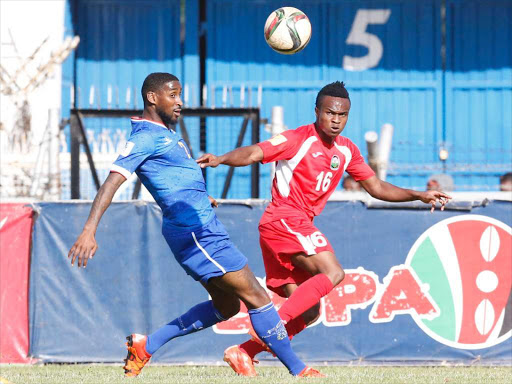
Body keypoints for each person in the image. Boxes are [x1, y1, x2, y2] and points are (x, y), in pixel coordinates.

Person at [67, 73, 322, 378]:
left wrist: (202, 197)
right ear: (152, 97)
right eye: (172, 95)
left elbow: (171, 180)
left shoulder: (169, 135)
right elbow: (112, 182)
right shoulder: (144, 137)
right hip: (198, 233)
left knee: (227, 307)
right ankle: (299, 370)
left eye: (180, 95)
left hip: (197, 226)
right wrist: (89, 229)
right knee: (258, 297)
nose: (180, 102)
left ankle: (146, 345)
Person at [197, 81, 451, 376]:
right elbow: (255, 152)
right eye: (330, 113)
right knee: (333, 273)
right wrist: (220, 159)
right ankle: (270, 328)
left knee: (310, 310)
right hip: (284, 219)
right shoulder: (297, 139)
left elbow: (376, 186)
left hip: (294, 226)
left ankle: (244, 352)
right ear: (317, 111)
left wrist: (417, 194)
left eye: (342, 115)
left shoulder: (346, 150)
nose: (336, 120)